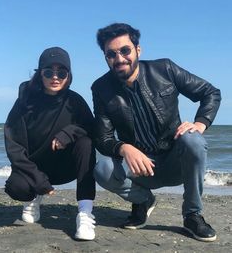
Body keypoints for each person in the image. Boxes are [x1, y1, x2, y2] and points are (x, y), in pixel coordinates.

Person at [91, 23, 221, 242]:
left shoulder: (165, 69)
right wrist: (124, 148)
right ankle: (142, 201)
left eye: (125, 50)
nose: (119, 58)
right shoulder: (101, 88)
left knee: (193, 140)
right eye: (111, 54)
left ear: (137, 50)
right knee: (102, 168)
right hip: (140, 168)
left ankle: (192, 216)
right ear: (106, 58)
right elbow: (102, 137)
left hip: (175, 161)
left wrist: (200, 124)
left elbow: (210, 93)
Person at [4, 47, 96, 241]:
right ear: (40, 74)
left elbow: (92, 128)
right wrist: (38, 181)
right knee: (16, 187)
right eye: (48, 72)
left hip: (65, 167)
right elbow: (13, 145)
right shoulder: (25, 101)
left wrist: (69, 132)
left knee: (86, 143)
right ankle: (33, 198)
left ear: (68, 76)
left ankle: (85, 214)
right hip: (35, 169)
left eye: (61, 72)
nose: (55, 77)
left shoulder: (75, 102)